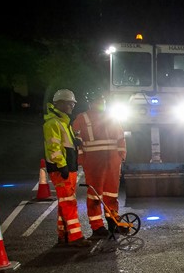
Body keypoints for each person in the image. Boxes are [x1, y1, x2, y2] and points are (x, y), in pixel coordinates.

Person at [72, 89, 127, 238]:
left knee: (111, 194)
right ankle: (97, 227)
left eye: (101, 101)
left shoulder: (111, 117)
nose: (100, 103)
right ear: (91, 103)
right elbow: (77, 142)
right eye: (98, 101)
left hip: (111, 161)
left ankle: (113, 221)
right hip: (95, 162)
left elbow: (120, 137)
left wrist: (121, 155)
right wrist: (82, 160)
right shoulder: (82, 118)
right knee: (95, 195)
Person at [43, 89, 92, 248]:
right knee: (69, 202)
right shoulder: (53, 123)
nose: (72, 105)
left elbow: (65, 144)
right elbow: (54, 147)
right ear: (60, 104)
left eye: (73, 103)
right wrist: (61, 165)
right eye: (70, 103)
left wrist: (75, 141)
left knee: (65, 201)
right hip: (61, 169)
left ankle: (63, 234)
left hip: (67, 167)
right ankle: (75, 237)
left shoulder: (63, 121)